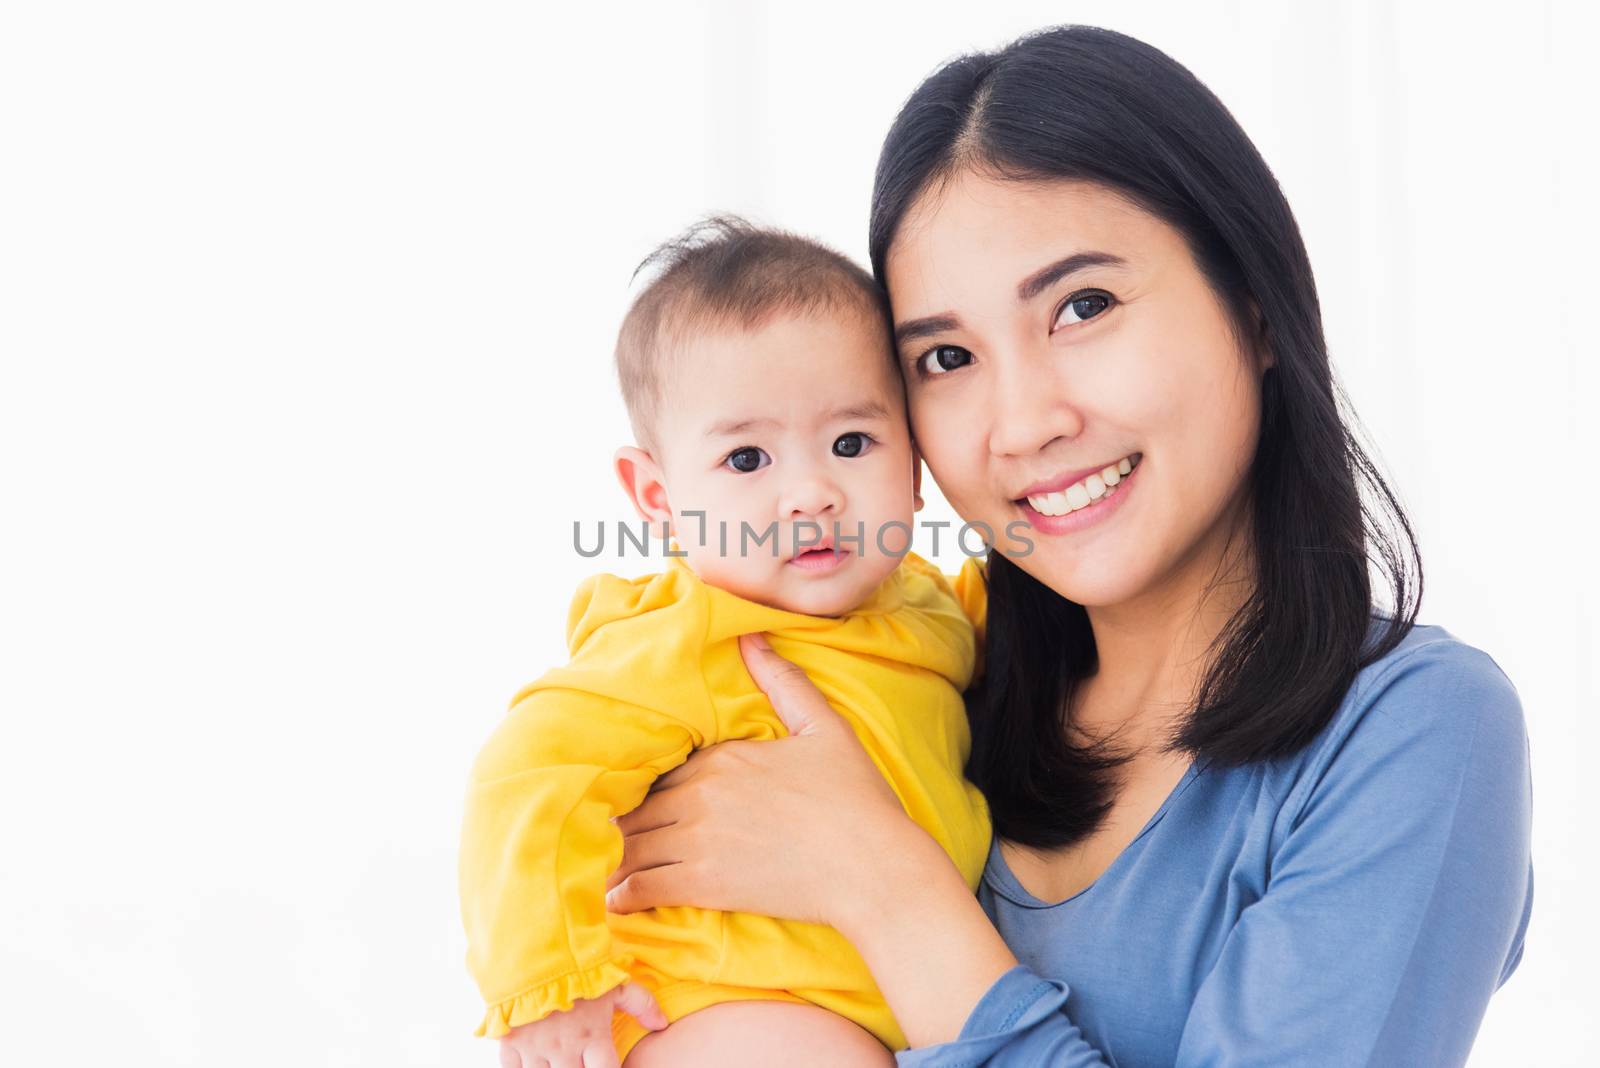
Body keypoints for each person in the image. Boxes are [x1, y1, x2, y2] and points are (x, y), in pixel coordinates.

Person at [603, 25, 1535, 1066]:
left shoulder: (1413, 733)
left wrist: (885, 886)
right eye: (947, 356)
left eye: (1081, 307)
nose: (1022, 422)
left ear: (1255, 307)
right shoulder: (917, 673)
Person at [458, 217, 995, 1067]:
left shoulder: (926, 608)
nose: (811, 492)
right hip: (718, 1010)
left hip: (889, 1005)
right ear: (658, 496)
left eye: (852, 443)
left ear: (917, 464)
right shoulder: (689, 637)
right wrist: (548, 981)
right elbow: (529, 775)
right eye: (747, 461)